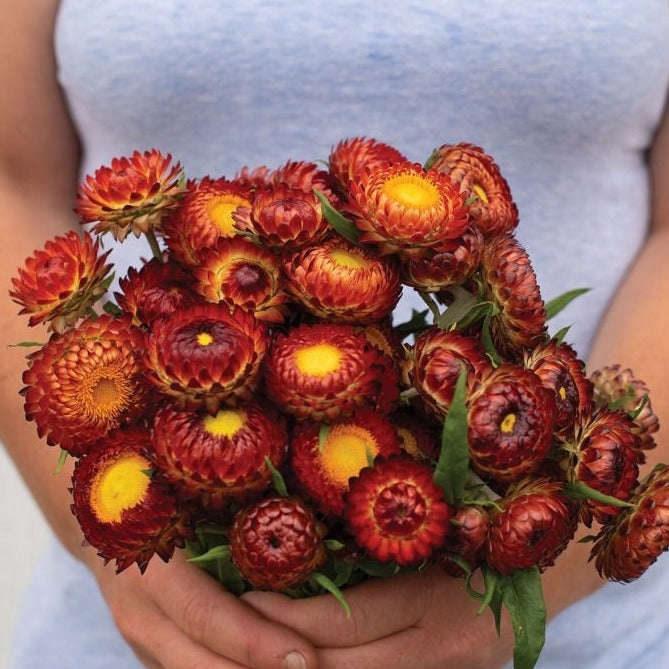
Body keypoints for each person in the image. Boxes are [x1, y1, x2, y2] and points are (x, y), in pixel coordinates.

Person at [1, 1, 668, 668]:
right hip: (126, 635)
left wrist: (545, 568)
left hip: (596, 639)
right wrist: (105, 545)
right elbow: (11, 180)